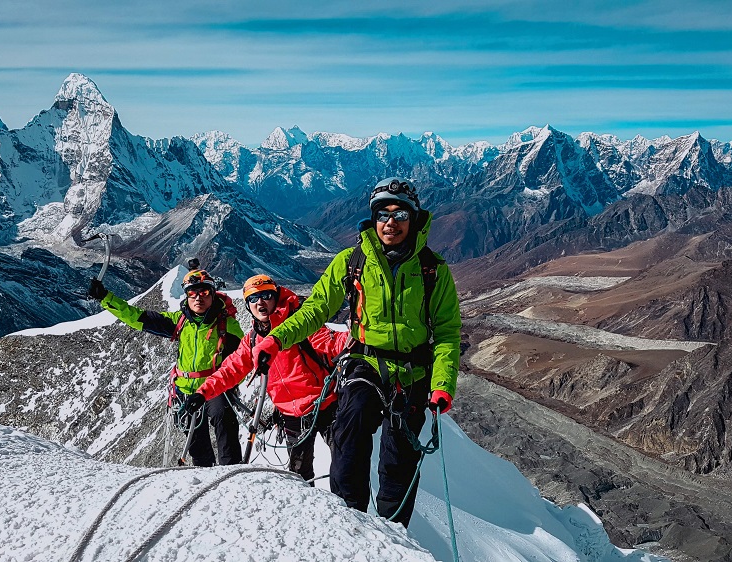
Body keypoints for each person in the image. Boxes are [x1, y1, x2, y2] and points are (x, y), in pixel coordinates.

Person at [250, 177, 461, 527]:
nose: (390, 222)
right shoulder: (352, 262)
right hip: (365, 361)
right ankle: (351, 519)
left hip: (413, 374)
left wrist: (442, 385)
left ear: (415, 218)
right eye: (383, 213)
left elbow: (447, 334)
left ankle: (393, 530)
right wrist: (277, 338)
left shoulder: (433, 271)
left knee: (399, 458)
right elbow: (316, 309)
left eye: (400, 214)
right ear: (373, 218)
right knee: (350, 428)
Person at [181, 274, 349, 482]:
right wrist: (202, 394)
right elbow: (229, 371)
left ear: (276, 297)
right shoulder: (252, 340)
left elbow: (333, 342)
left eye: (266, 295)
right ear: (247, 305)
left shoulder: (299, 326)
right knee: (300, 475)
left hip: (325, 406)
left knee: (345, 469)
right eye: (253, 298)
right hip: (291, 414)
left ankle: (349, 512)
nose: (260, 302)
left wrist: (361, 334)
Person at [88, 269, 244, 466]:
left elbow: (240, 362)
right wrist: (106, 298)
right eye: (192, 293)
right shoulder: (180, 321)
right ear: (186, 296)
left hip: (216, 386)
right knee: (196, 439)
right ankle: (205, 473)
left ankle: (231, 470)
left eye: (203, 293)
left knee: (223, 417)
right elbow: (139, 318)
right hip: (186, 388)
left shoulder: (227, 325)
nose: (198, 298)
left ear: (212, 294)